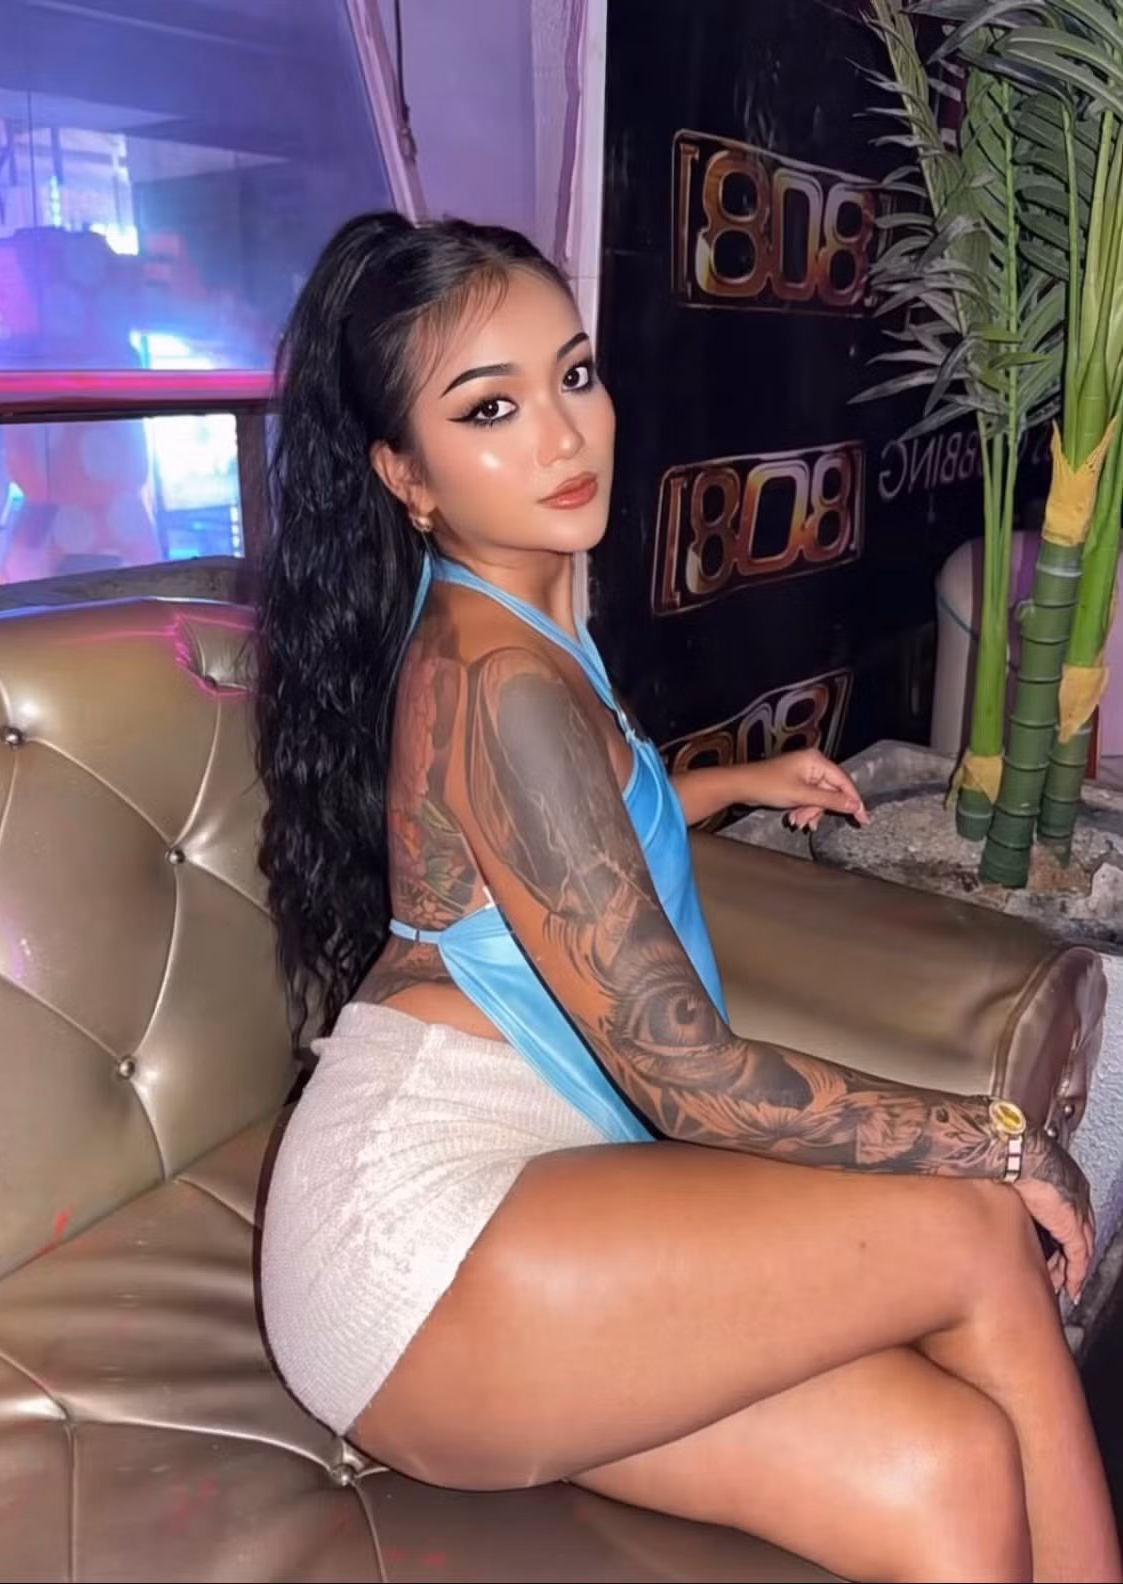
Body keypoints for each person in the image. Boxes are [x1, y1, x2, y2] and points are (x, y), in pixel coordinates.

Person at [254, 210, 1121, 1584]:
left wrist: (730, 783)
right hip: (415, 1249)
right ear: (404, 474)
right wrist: (1003, 1139)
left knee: (946, 1474)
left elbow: (572, 823)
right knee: (970, 1225)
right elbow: (690, 1082)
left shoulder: (515, 611)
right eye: (490, 408)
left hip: (530, 1207)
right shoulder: (501, 680)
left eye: (575, 374)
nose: (564, 436)